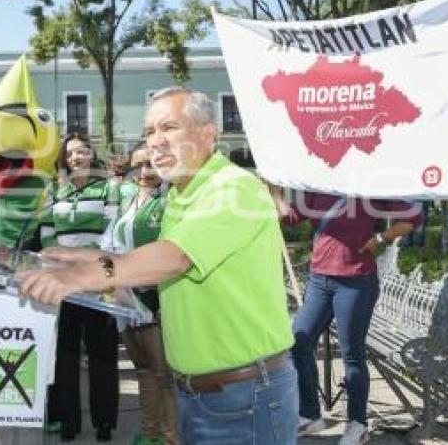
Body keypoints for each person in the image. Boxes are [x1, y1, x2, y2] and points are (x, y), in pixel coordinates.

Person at [19, 88, 298, 444]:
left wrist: (83, 276)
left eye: (169, 127)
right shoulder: (182, 193)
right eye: (150, 131)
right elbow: (155, 255)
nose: (156, 142)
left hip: (245, 398)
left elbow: (174, 257)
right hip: (201, 394)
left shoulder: (233, 188)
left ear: (207, 133)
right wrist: (84, 257)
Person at [270, 189, 420, 444]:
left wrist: (382, 238)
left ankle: (357, 424)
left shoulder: (365, 186)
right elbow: (291, 218)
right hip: (319, 280)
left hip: (356, 282)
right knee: (299, 342)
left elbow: (413, 217)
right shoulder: (316, 187)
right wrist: (274, 189)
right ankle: (310, 415)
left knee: (351, 354)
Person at [41, 133, 120, 442]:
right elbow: (47, 232)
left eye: (82, 151)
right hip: (63, 280)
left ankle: (104, 423)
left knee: (102, 352)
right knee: (66, 353)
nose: (76, 157)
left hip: (96, 277)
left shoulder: (107, 188)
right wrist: (60, 262)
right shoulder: (53, 190)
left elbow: (111, 230)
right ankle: (69, 422)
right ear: (64, 159)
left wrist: (86, 262)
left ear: (91, 155)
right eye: (70, 153)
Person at [101, 143, 178, 445]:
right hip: (125, 302)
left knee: (165, 377)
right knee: (144, 371)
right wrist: (111, 282)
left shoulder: (170, 199)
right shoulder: (128, 200)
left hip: (156, 301)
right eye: (138, 165)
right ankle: (150, 432)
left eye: (150, 164)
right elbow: (109, 246)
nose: (144, 172)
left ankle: (172, 437)